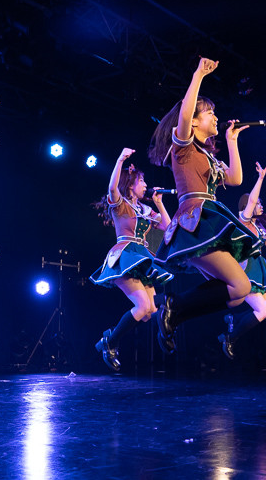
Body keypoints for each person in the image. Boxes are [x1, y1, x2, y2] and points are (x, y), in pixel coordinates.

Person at [147, 57, 260, 354]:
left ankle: (174, 313)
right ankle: (173, 306)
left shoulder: (207, 155)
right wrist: (198, 75)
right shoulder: (183, 147)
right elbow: (185, 115)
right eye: (210, 112)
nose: (215, 116)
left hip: (206, 222)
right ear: (194, 121)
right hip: (193, 224)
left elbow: (235, 179)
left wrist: (231, 141)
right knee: (241, 287)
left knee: (236, 295)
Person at [90, 148, 173, 371]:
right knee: (143, 306)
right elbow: (112, 188)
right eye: (142, 181)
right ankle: (111, 343)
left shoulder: (145, 209)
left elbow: (168, 228)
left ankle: (109, 338)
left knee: (150, 312)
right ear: (130, 185)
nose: (145, 185)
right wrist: (120, 160)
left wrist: (159, 203)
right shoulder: (120, 204)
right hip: (125, 255)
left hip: (142, 257)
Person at [218, 162, 266, 360]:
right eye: (258, 204)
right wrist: (260, 178)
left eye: (261, 204)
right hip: (246, 269)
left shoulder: (257, 226)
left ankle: (233, 318)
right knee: (262, 311)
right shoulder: (243, 221)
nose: (261, 206)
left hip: (259, 270)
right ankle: (230, 338)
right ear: (248, 207)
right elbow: (252, 200)